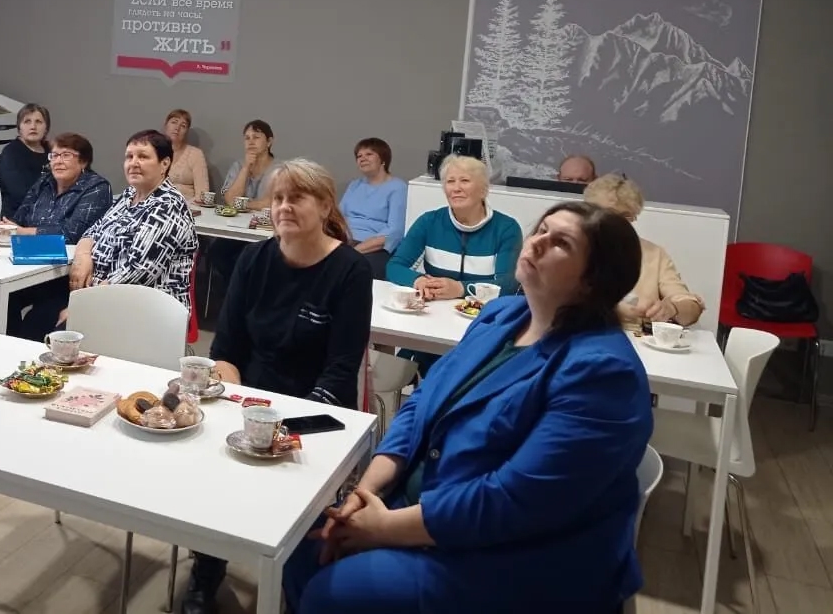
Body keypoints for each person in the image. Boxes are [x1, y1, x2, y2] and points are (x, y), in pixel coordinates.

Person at [284, 201, 653, 614]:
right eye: (542, 229)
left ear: (593, 281)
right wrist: (366, 492)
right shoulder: (502, 315)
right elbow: (421, 404)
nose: (536, 242)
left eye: (561, 243)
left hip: (519, 556)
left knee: (333, 592)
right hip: (427, 507)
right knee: (300, 549)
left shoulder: (603, 372)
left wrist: (385, 527)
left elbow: (515, 501)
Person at [182, 159, 373, 614]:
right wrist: (236, 402)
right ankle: (207, 568)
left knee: (293, 495)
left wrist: (284, 429)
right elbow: (226, 349)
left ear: (324, 206)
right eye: (279, 198)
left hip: (320, 410)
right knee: (214, 468)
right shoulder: (254, 259)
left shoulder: (350, 271)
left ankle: (294, 579)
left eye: (297, 198)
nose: (284, 207)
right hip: (253, 399)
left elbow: (341, 369)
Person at [62, 129, 198, 323]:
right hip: (103, 298)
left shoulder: (169, 206)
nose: (133, 163)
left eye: (143, 156)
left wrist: (82, 306)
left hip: (144, 312)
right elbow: (94, 229)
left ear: (164, 163)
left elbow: (136, 272)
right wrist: (83, 255)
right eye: (129, 157)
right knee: (41, 313)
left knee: (53, 327)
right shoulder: (129, 195)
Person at [0, 133, 113, 338]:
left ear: (83, 161)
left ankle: (17, 345)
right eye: (54, 155)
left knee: (36, 321)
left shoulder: (97, 188)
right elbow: (19, 217)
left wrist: (22, 232)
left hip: (64, 276)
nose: (58, 161)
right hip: (27, 266)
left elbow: (71, 234)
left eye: (66, 155)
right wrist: (4, 227)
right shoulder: (45, 182)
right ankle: (1, 345)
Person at [386, 154, 522, 299]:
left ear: (484, 190)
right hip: (434, 307)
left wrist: (461, 289)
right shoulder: (429, 222)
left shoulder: (507, 229)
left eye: (465, 180)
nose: (456, 188)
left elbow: (509, 284)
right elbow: (394, 267)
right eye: (450, 181)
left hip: (483, 309)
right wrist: (418, 280)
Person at [584, 173, 704, 327]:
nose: (616, 223)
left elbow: (691, 309)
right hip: (585, 334)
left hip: (638, 338)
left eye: (625, 217)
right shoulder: (574, 248)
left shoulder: (653, 254)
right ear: (589, 213)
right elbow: (562, 302)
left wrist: (672, 309)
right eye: (608, 215)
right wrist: (614, 311)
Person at [209, 120, 280, 286]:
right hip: (236, 230)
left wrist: (242, 204)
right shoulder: (238, 166)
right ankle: (237, 290)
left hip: (264, 232)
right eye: (247, 138)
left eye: (256, 137)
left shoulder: (280, 169)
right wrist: (246, 168)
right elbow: (229, 200)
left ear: (269, 141)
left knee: (250, 260)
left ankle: (241, 291)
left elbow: (271, 203)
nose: (251, 141)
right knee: (216, 252)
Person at [339, 138, 407, 279]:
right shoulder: (354, 185)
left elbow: (394, 231)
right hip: (344, 241)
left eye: (369, 154)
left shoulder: (398, 187)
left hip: (374, 247)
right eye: (359, 156)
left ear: (383, 159)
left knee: (358, 271)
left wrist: (355, 251)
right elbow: (337, 217)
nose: (362, 158)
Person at [0, 103, 49, 220]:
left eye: (38, 122)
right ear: (19, 128)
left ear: (46, 128)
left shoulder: (53, 152)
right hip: (19, 218)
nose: (33, 126)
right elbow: (20, 194)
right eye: (27, 122)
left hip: (50, 214)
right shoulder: (11, 153)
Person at [163, 109, 209, 201]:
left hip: (187, 205)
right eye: (174, 122)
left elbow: (203, 193)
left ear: (186, 132)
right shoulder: (154, 151)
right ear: (166, 125)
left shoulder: (195, 154)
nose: (177, 128)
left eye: (183, 126)